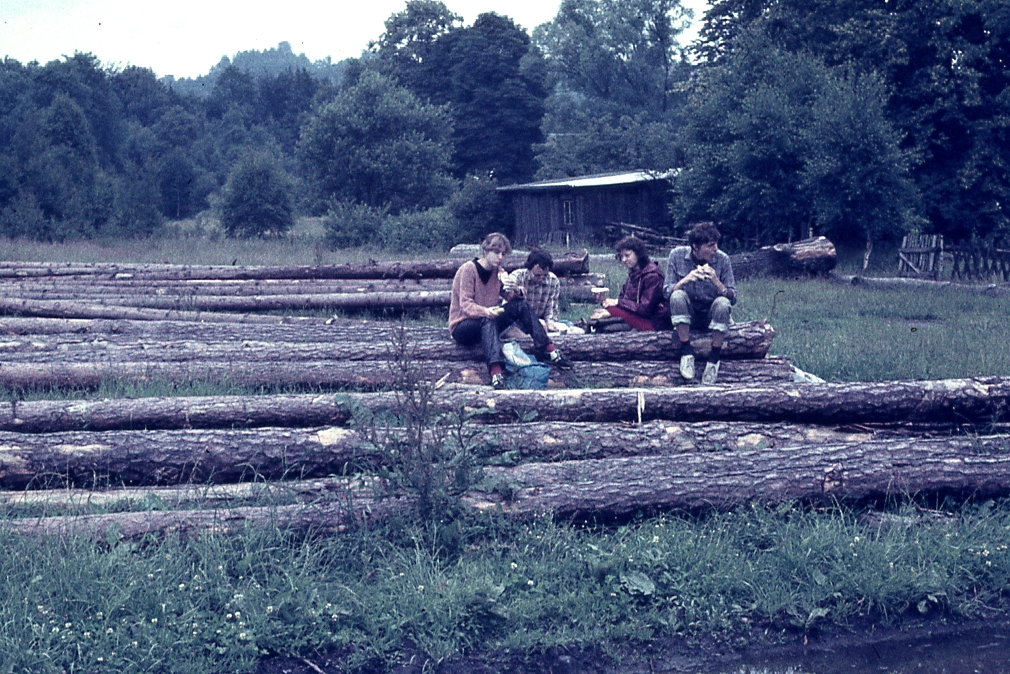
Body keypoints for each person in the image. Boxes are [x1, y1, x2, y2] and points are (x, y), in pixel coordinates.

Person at [449, 232, 573, 389]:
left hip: (488, 320)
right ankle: (496, 372)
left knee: (521, 305)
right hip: (463, 326)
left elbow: (511, 298)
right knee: (488, 319)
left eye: (503, 254)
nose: (500, 257)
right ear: (486, 251)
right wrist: (486, 311)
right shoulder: (469, 269)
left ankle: (549, 349)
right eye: (496, 253)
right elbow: (465, 305)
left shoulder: (497, 272)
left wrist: (517, 290)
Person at [664, 222, 737, 385]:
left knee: (723, 303)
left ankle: (714, 359)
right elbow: (666, 292)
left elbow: (733, 297)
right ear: (695, 247)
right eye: (710, 245)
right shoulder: (676, 256)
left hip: (711, 315)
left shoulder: (722, 259)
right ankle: (686, 352)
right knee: (677, 296)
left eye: (716, 244)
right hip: (689, 314)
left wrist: (716, 282)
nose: (715, 249)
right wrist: (685, 280)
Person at [596, 236, 672, 331]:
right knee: (603, 317)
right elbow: (623, 301)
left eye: (627, 255)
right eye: (621, 256)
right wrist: (604, 301)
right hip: (637, 317)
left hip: (653, 322)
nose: (623, 260)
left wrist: (616, 303)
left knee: (611, 312)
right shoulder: (632, 275)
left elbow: (645, 309)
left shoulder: (653, 276)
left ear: (638, 254)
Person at [507, 247, 561, 332]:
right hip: (519, 322)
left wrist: (550, 323)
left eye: (544, 275)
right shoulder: (517, 277)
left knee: (569, 326)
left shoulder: (553, 281)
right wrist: (534, 322)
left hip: (542, 322)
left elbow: (551, 308)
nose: (541, 278)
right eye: (537, 275)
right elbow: (508, 310)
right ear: (529, 269)